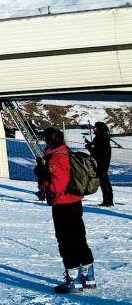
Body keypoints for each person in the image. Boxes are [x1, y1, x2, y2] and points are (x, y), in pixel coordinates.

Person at [34, 127, 96, 294]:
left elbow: (57, 186)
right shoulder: (66, 152)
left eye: (45, 138)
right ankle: (88, 278)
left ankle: (74, 281)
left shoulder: (56, 159)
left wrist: (43, 176)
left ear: (50, 140)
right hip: (75, 202)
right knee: (79, 239)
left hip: (63, 204)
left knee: (67, 241)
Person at [85, 122, 113, 207]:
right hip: (104, 162)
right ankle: (107, 200)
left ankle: (107, 201)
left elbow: (97, 152)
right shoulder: (103, 137)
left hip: (101, 163)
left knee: (104, 182)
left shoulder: (100, 138)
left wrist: (89, 147)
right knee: (104, 182)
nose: (94, 129)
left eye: (96, 128)